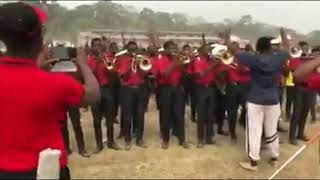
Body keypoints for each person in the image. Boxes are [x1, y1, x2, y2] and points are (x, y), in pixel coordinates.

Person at [0, 2, 100, 179]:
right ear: (40, 39)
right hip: (44, 172)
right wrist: (83, 64)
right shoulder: (56, 84)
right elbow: (93, 94)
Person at [226, 28, 291, 171]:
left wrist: (226, 37)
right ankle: (274, 157)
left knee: (254, 130)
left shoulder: (252, 59)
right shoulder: (278, 58)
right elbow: (287, 47)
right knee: (272, 129)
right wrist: (283, 34)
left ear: (259, 46)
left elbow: (233, 51)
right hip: (273, 99)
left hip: (255, 99)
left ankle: (253, 162)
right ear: (269, 46)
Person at [152, 41, 189, 149]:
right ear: (165, 49)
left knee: (179, 114)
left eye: (174, 48)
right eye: (171, 48)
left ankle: (182, 139)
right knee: (165, 115)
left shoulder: (178, 59)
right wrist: (174, 63)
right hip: (165, 89)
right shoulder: (160, 60)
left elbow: (184, 73)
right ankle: (165, 140)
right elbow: (165, 74)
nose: (173, 51)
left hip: (177, 88)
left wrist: (182, 65)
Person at [87, 38, 122, 153]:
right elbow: (90, 74)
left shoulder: (107, 58)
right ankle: (99, 144)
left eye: (99, 45)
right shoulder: (89, 60)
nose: (98, 47)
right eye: (95, 45)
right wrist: (98, 61)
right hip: (95, 90)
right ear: (92, 47)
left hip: (107, 89)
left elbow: (112, 72)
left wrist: (105, 61)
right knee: (97, 120)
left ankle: (111, 141)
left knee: (110, 118)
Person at [117, 41, 149, 150]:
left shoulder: (141, 59)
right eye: (131, 49)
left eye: (135, 49)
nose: (133, 51)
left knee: (140, 115)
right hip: (127, 90)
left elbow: (145, 74)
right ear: (127, 50)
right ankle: (127, 140)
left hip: (140, 89)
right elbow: (123, 76)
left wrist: (139, 64)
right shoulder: (123, 60)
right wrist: (131, 64)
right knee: (127, 116)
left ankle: (139, 139)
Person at [188, 44, 220, 147]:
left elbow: (218, 75)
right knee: (201, 114)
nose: (209, 52)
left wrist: (217, 66)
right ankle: (200, 139)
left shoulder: (211, 60)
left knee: (210, 114)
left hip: (211, 87)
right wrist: (212, 66)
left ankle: (209, 137)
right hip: (200, 88)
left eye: (210, 50)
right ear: (201, 50)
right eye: (207, 50)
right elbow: (201, 74)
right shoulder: (197, 60)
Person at [222, 42, 251, 143]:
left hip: (245, 86)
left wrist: (243, 68)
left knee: (248, 109)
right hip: (233, 86)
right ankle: (232, 133)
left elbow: (250, 69)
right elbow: (223, 69)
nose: (232, 50)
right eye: (231, 48)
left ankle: (250, 132)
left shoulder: (246, 57)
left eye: (234, 48)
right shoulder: (227, 57)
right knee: (232, 111)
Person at [288, 41, 313, 145]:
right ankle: (292, 136)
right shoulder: (295, 59)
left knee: (305, 112)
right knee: (297, 112)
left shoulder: (312, 60)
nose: (305, 50)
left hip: (310, 89)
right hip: (299, 88)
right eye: (303, 48)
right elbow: (292, 71)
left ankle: (300, 133)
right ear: (300, 49)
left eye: (307, 48)